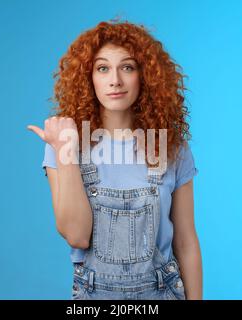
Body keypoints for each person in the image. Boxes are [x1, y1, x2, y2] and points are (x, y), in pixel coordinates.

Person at [27, 20, 202, 300]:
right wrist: (66, 151)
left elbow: (186, 240)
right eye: (103, 68)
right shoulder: (64, 142)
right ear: (88, 77)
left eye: (128, 67)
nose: (115, 80)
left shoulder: (171, 148)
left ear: (145, 76)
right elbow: (77, 236)